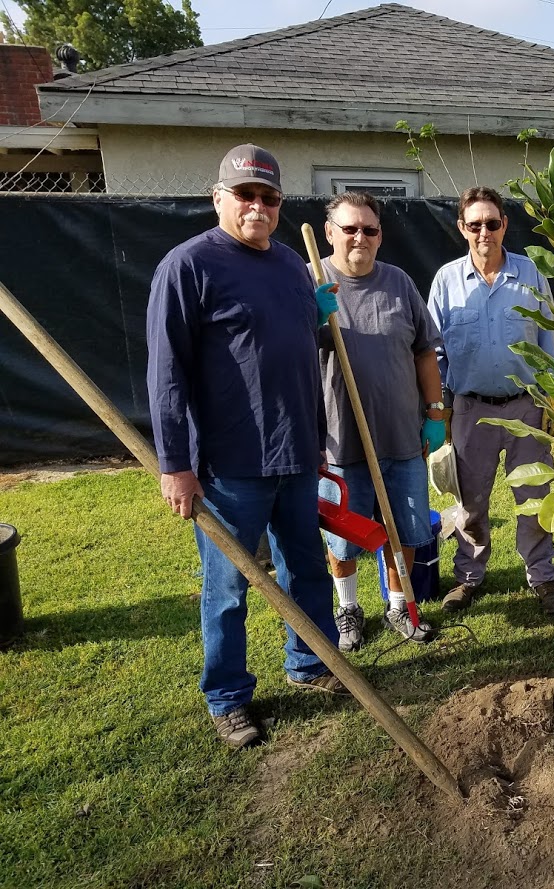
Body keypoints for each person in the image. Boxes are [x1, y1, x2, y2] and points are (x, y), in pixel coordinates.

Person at [147, 144, 347, 751]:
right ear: (219, 198)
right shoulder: (187, 267)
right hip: (230, 464)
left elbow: (305, 361)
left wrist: (315, 439)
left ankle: (311, 664)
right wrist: (176, 466)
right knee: (229, 586)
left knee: (306, 567)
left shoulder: (292, 266)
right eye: (245, 195)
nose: (257, 206)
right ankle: (228, 697)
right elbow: (167, 374)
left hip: (294, 452)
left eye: (269, 197)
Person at [313, 191, 445, 651]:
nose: (359, 238)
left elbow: (425, 351)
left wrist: (435, 414)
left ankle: (397, 605)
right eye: (349, 229)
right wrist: (311, 317)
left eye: (369, 230)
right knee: (345, 537)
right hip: (340, 439)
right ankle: (348, 609)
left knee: (404, 528)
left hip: (401, 436)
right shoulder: (312, 279)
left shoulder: (398, 283)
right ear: (330, 233)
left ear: (380, 235)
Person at [427, 186, 554, 617]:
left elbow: (550, 342)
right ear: (462, 229)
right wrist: (441, 409)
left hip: (528, 404)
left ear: (504, 225)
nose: (484, 231)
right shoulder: (446, 281)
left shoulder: (531, 276)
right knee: (470, 501)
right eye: (474, 224)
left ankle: (542, 576)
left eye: (492, 222)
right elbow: (434, 352)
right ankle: (468, 576)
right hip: (470, 409)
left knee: (535, 495)